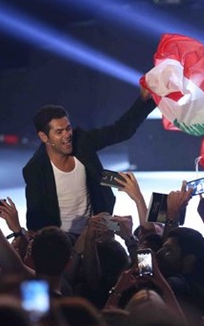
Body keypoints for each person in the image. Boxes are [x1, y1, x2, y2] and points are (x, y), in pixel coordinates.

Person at [23, 87, 156, 234]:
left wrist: (144, 102)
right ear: (44, 136)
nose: (67, 135)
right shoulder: (35, 169)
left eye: (68, 128)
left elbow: (121, 130)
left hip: (97, 230)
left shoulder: (82, 142)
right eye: (59, 132)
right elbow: (35, 222)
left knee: (129, 228)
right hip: (62, 241)